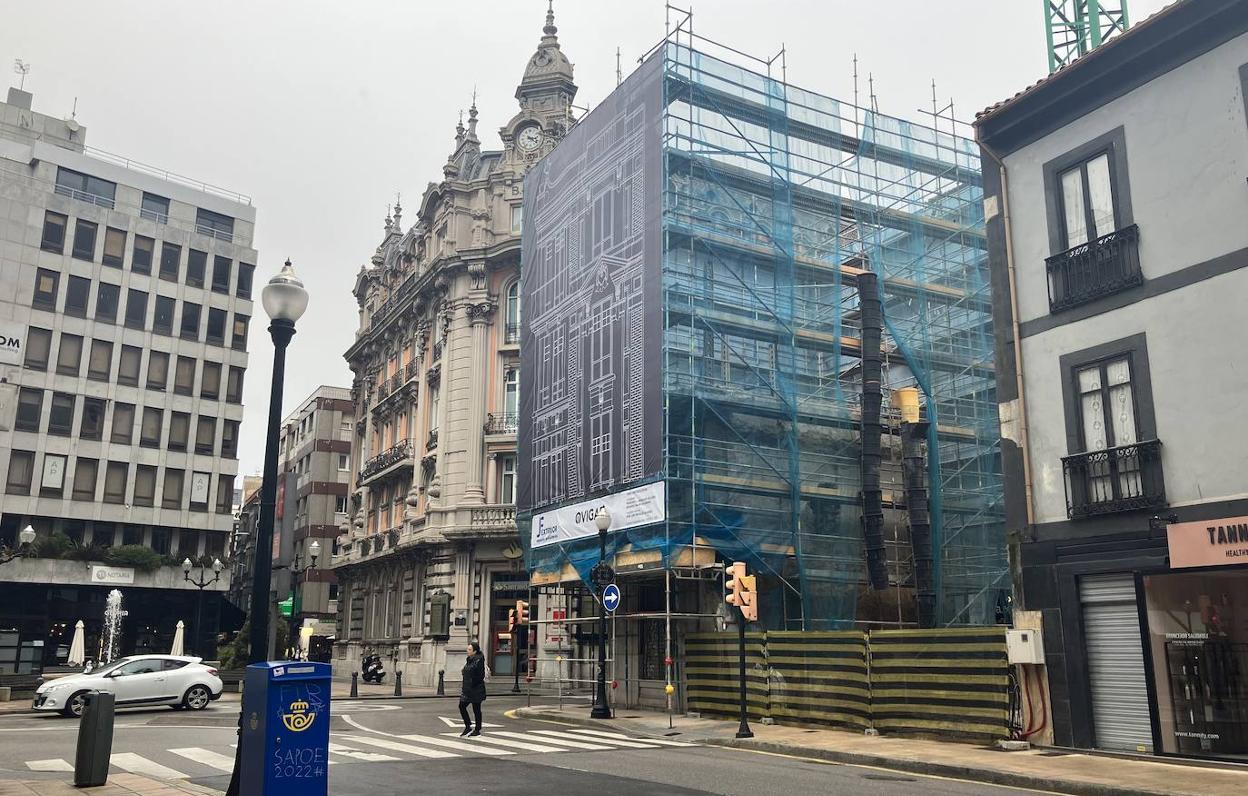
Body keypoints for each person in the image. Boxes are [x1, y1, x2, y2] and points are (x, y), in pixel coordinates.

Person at [458, 642, 487, 737]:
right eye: (468, 649)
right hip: (467, 689)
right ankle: (468, 726)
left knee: (476, 709)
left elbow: (479, 675)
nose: (467, 651)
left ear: (475, 651)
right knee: (462, 706)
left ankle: (477, 729)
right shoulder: (470, 659)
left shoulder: (478, 660)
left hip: (475, 689)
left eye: (470, 649)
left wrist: (472, 684)